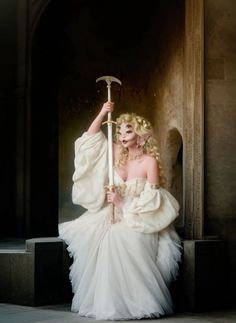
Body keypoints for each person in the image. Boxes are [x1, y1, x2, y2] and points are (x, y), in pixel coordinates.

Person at [59, 101, 182, 320]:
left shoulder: (149, 162)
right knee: (96, 238)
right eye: (120, 130)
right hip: (110, 212)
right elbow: (89, 140)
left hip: (140, 216)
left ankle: (134, 303)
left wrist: (123, 204)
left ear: (141, 134)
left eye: (129, 129)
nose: (122, 135)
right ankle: (106, 303)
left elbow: (153, 200)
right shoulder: (115, 152)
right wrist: (102, 112)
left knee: (117, 238)